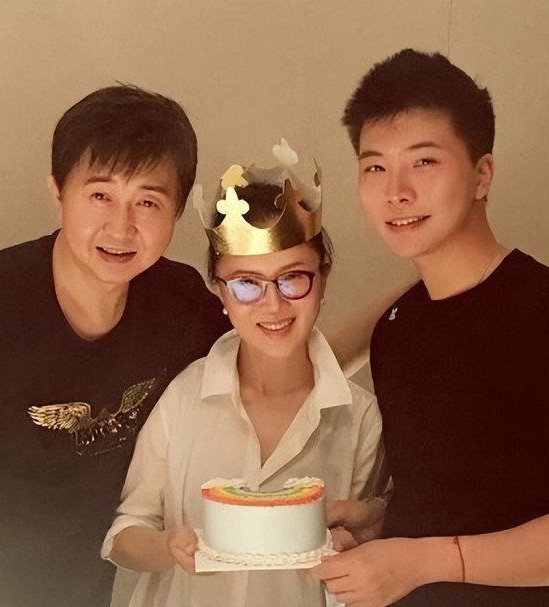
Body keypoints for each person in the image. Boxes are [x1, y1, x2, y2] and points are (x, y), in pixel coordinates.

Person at [311, 49, 549, 607]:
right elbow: (468, 494)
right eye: (375, 167)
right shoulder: (398, 328)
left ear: (482, 174)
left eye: (424, 162)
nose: (396, 191)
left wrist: (424, 559)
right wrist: (383, 519)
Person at [0, 85, 230, 607]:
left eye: (147, 202)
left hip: (86, 591)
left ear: (176, 211)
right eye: (101, 195)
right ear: (58, 191)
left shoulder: (178, 305)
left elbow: (269, 363)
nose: (121, 227)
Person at [101, 140, 383, 607]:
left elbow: (364, 548)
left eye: (293, 278)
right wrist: (169, 546)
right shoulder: (185, 397)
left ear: (323, 278)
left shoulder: (359, 418)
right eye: (247, 284)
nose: (273, 304)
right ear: (220, 292)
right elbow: (126, 532)